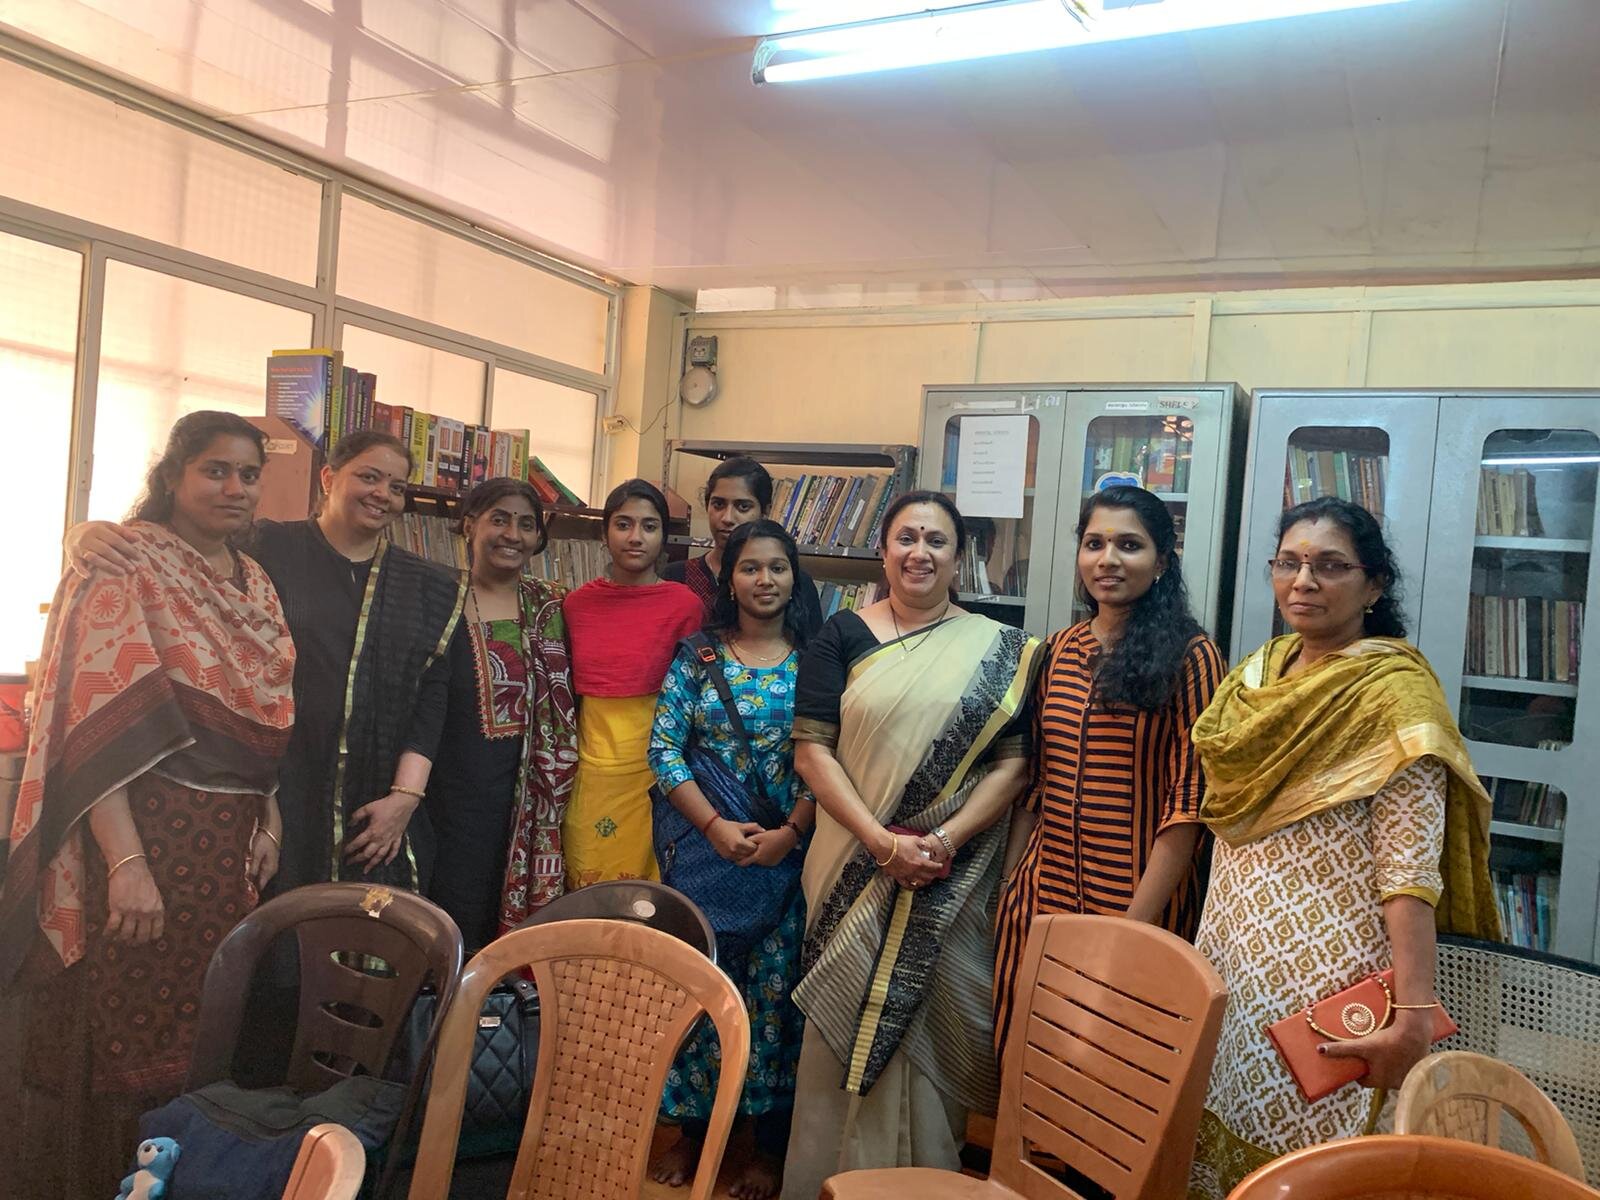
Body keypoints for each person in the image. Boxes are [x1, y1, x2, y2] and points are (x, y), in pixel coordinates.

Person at [4, 411, 296, 1197]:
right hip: (142, 836)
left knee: (205, 1031)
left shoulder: (256, 580)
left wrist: (269, 817)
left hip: (227, 849)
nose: (234, 488)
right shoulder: (122, 564)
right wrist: (127, 864)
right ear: (173, 476)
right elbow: (93, 727)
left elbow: (267, 715)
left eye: (247, 474)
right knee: (121, 1036)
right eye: (214, 470)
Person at [1186, 497, 1501, 1198]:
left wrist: (1412, 1018)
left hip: (1329, 982)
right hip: (1235, 961)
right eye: (1289, 563)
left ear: (1373, 585)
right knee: (1222, 1142)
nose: (1304, 581)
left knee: (1315, 1161)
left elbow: (1409, 872)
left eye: (1330, 566)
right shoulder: (1258, 674)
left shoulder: (1394, 696)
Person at [781, 490, 1044, 1200]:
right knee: (843, 1013)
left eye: (936, 541)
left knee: (932, 1023)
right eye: (906, 538)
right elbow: (811, 753)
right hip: (851, 864)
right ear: (883, 550)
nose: (919, 553)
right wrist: (882, 844)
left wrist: (941, 840)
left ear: (959, 558)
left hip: (949, 874)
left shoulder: (1002, 647)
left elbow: (1016, 764)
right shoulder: (841, 635)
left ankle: (925, 1181)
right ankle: (827, 1182)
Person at [65, 429, 466, 895]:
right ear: (328, 478)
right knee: (272, 923)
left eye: (397, 487)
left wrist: (404, 798)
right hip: (273, 787)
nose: (382, 494)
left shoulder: (429, 587)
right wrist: (81, 534)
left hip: (377, 800)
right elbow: (177, 549)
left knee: (373, 926)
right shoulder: (262, 549)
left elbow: (432, 697)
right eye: (369, 477)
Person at [992, 486, 1223, 1065]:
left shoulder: (1192, 656)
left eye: (1129, 546)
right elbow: (1034, 783)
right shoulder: (1058, 649)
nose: (1107, 560)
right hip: (1042, 901)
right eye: (1094, 544)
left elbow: (1189, 803)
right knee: (1027, 1065)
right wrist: (1010, 884)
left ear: (1162, 560)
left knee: (1111, 1075)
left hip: (1135, 904)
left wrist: (1133, 928)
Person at [649, 519, 814, 1200]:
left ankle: (768, 1147)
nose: (764, 579)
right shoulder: (699, 657)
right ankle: (694, 1133)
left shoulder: (817, 661)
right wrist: (715, 827)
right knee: (703, 991)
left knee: (776, 997)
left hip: (786, 863)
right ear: (729, 578)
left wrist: (791, 833)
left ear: (794, 578)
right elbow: (663, 749)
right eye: (750, 567)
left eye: (777, 567)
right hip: (705, 856)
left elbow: (828, 758)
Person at [424, 478, 578, 949]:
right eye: (500, 519)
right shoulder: (438, 599)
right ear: (470, 524)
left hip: (532, 802)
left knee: (516, 943)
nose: (513, 535)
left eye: (526, 524)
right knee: (451, 925)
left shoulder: (555, 605)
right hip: (448, 800)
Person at [561, 479, 702, 888]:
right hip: (590, 772)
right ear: (604, 533)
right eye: (623, 524)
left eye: (649, 526)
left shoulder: (684, 606)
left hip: (658, 774)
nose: (636, 537)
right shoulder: (577, 605)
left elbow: (693, 699)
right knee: (588, 888)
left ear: (664, 536)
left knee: (652, 896)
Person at [663, 456, 824, 639]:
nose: (727, 518)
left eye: (743, 507)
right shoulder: (675, 577)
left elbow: (812, 649)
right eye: (718, 504)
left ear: (765, 511)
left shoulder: (794, 583)